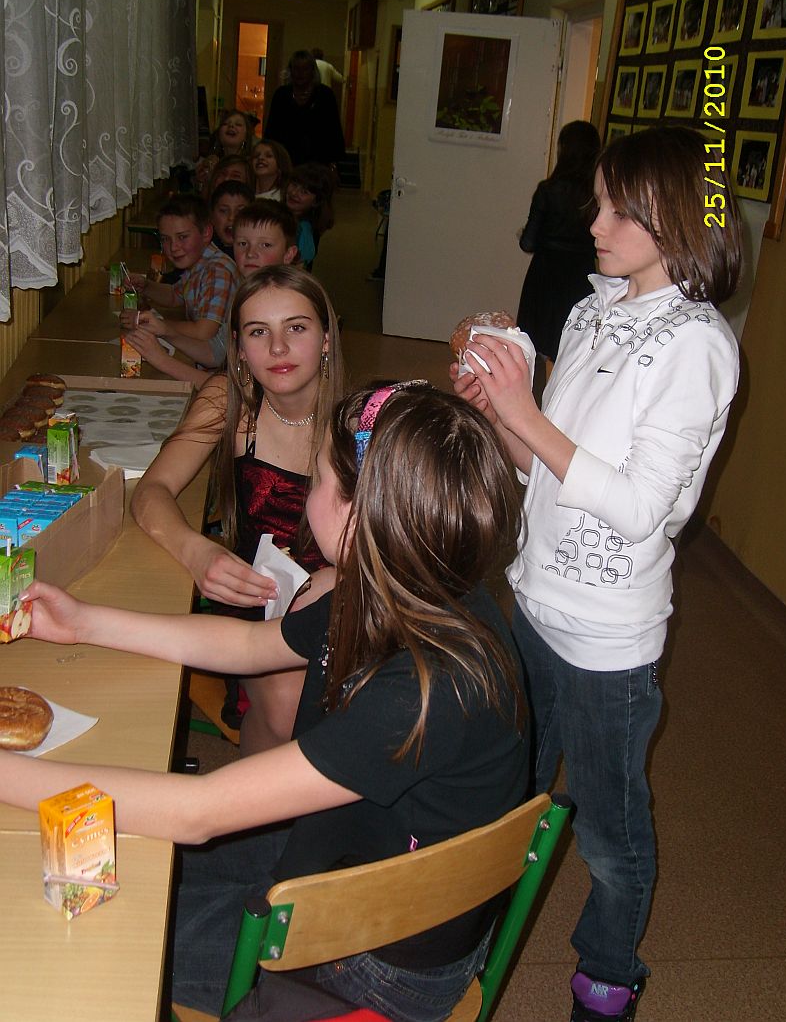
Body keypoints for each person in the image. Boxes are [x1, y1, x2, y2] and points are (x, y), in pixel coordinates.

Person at [9, 383, 529, 1022]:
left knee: (100, 934)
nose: (307, 490)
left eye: (319, 477)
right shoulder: (400, 582)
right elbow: (252, 645)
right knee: (132, 862)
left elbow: (198, 812)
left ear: (358, 513)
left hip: (375, 958)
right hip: (342, 853)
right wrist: (84, 622)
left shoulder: (422, 690)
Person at [454, 125, 742, 1022]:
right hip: (536, 601)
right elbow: (544, 468)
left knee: (611, 834)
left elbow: (639, 506)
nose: (595, 221)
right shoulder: (592, 309)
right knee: (511, 790)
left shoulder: (697, 343)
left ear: (677, 216)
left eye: (621, 207)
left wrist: (525, 410)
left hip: (609, 640)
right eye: (600, 201)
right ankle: (469, 932)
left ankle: (608, 975)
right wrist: (499, 410)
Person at [131, 264, 341, 753]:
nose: (278, 348)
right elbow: (150, 491)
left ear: (326, 340)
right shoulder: (229, 403)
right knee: (288, 705)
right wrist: (198, 552)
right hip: (255, 596)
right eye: (258, 332)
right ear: (240, 349)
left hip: (342, 593)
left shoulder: (360, 418)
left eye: (296, 328)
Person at [134, 200, 300, 375]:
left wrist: (161, 360)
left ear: (289, 254)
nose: (250, 253)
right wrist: (165, 331)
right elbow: (215, 354)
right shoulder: (247, 295)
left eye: (265, 245)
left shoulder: (279, 308)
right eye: (243, 244)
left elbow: (231, 389)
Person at [121, 194, 239, 385]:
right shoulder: (199, 263)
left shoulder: (217, 270)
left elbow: (203, 332)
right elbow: (175, 296)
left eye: (182, 237)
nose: (174, 247)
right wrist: (147, 286)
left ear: (206, 233)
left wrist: (159, 325)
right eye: (165, 239)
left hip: (219, 374)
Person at [516, 120, 600, 368]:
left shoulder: (547, 190)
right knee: (572, 342)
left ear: (562, 149)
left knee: (534, 343)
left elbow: (527, 243)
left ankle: (532, 389)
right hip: (580, 276)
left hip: (545, 274)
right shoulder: (597, 195)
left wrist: (525, 234)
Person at [264, 50, 345, 168]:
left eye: (305, 69)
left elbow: (333, 129)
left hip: (318, 162)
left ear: (312, 71)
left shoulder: (325, 95)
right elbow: (272, 129)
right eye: (296, 69)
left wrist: (334, 161)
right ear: (291, 70)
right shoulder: (281, 95)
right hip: (286, 161)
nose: (300, 73)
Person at [284, 163, 335, 268]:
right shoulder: (281, 215)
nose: (294, 193)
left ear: (316, 201)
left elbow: (297, 269)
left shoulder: (304, 230)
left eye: (304, 192)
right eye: (294, 185)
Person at [195, 110, 254, 195]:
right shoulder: (211, 163)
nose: (231, 126)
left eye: (238, 124)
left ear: (246, 135)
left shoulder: (252, 164)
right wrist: (204, 181)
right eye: (225, 124)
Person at [209, 179, 255, 258]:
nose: (231, 218)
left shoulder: (258, 254)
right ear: (211, 216)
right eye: (224, 211)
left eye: (240, 211)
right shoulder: (200, 252)